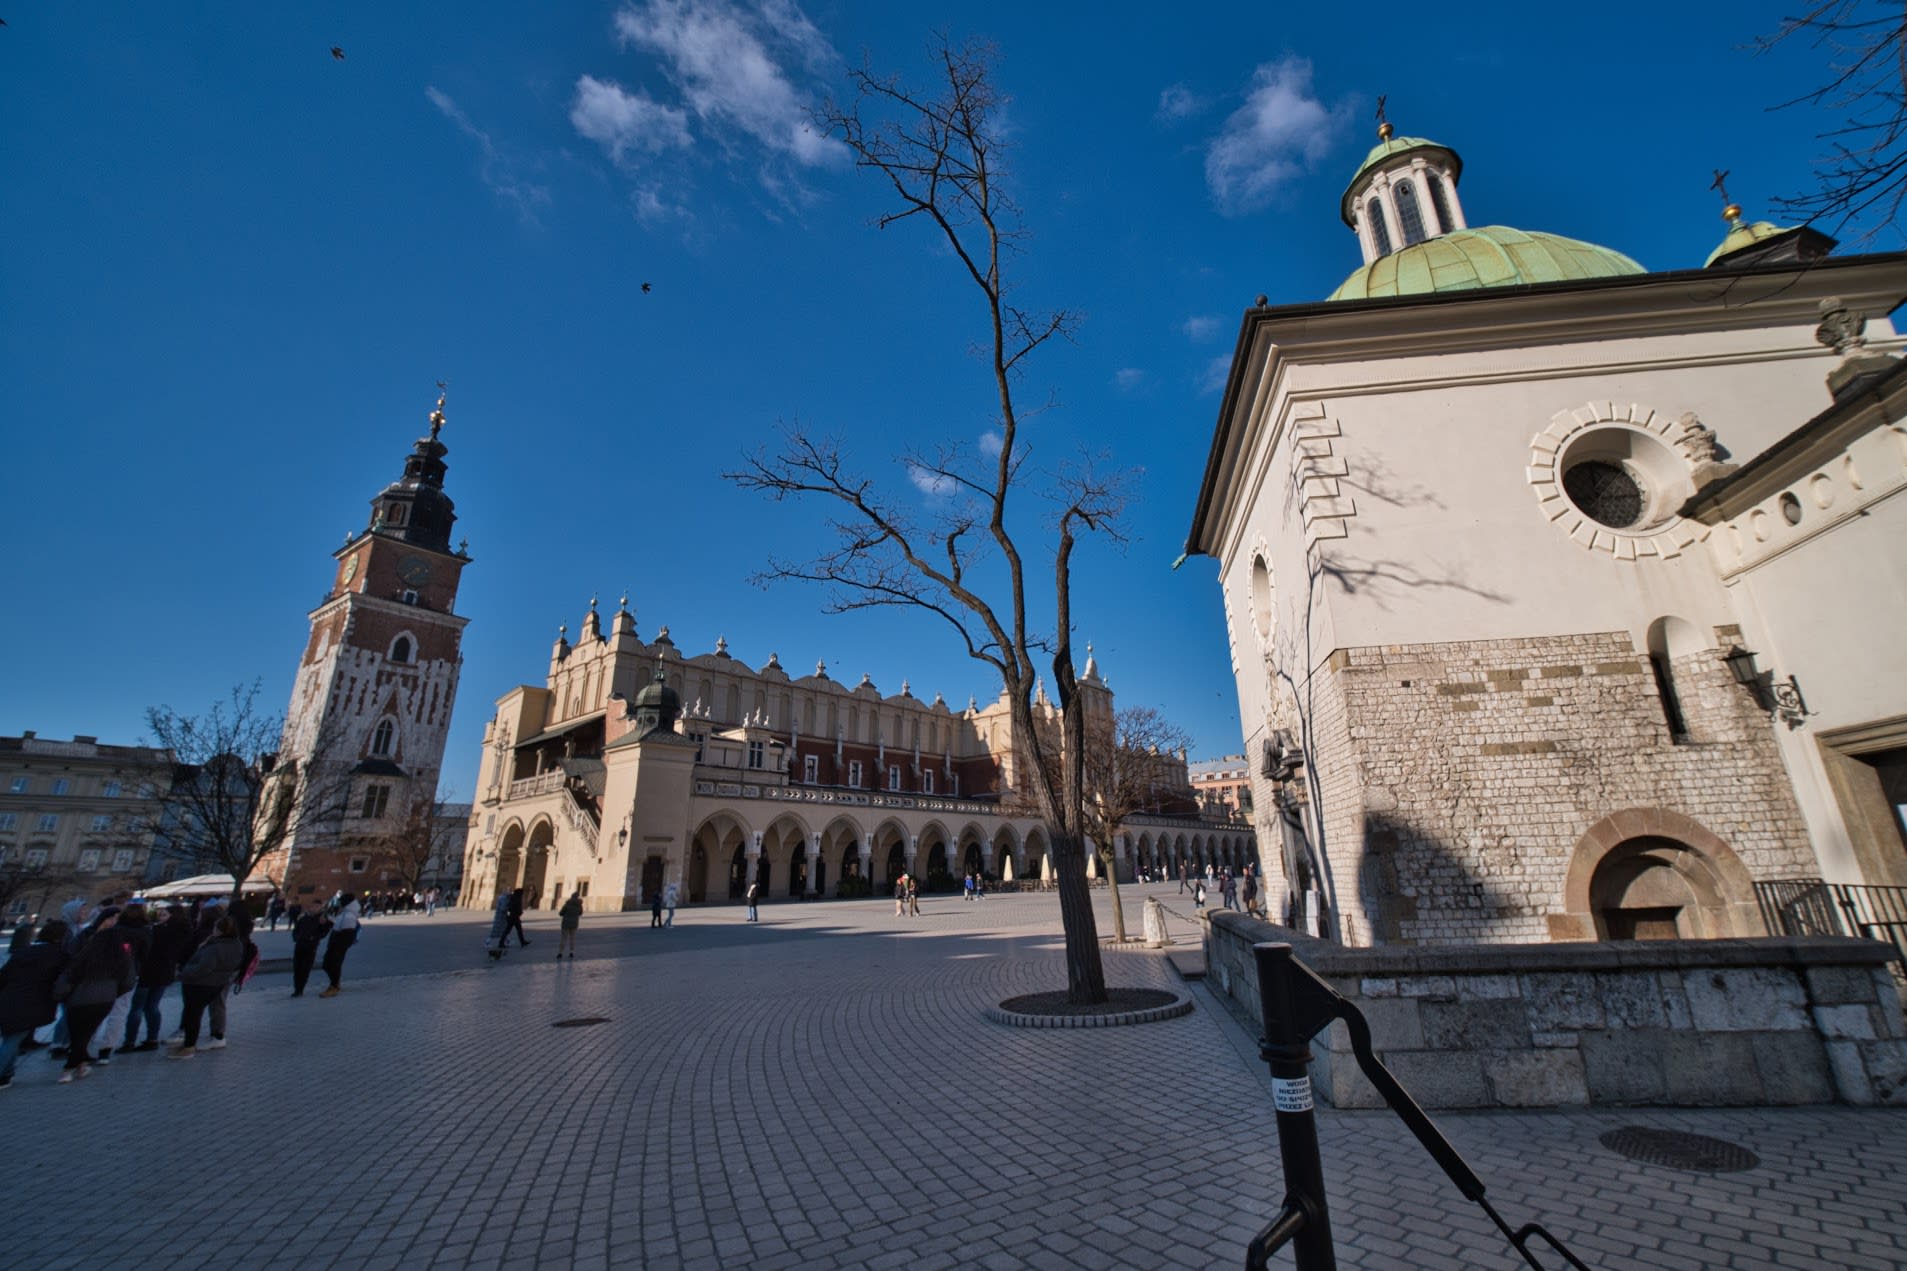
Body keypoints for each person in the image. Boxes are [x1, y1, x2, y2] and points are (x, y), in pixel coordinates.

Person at [55, 907, 134, 1082]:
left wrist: (61, 995)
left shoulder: (84, 954)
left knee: (79, 1034)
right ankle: (79, 1066)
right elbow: (128, 981)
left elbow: (68, 975)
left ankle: (68, 1069)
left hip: (78, 999)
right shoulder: (121, 956)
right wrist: (113, 991)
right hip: (104, 999)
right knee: (85, 1034)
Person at [0, 920, 70, 1088]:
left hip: (9, 998)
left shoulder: (24, 951)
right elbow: (62, 982)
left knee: (13, 1038)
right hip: (32, 1002)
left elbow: (4, 975)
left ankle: (7, 1074)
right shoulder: (59, 955)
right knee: (12, 1040)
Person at [169, 916, 244, 1059]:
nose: (213, 930)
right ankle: (188, 1044)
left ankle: (189, 1047)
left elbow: (204, 967)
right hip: (217, 983)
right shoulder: (236, 944)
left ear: (221, 930)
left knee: (193, 1015)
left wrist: (185, 973)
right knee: (195, 1014)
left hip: (200, 984)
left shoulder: (215, 947)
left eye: (216, 928)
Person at [123, 903, 191, 1052]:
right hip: (164, 973)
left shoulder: (157, 931)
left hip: (148, 972)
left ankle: (129, 1041)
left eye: (164, 915)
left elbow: (144, 951)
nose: (160, 917)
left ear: (172, 917)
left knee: (137, 1007)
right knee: (152, 1006)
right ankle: (152, 1038)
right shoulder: (182, 932)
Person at [317, 893, 360, 998]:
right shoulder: (346, 913)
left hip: (338, 945)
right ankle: (335, 983)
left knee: (332, 964)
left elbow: (347, 933)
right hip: (335, 944)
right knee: (328, 964)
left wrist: (337, 944)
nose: (339, 903)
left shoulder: (349, 915)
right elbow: (337, 925)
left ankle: (334, 985)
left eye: (340, 901)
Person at [290, 905, 333, 995]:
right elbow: (295, 930)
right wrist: (296, 938)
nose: (313, 908)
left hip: (311, 946)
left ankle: (300, 989)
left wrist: (313, 938)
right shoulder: (304, 918)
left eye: (316, 907)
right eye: (312, 906)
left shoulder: (322, 919)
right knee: (297, 968)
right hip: (299, 945)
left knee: (305, 968)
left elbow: (325, 931)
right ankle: (297, 988)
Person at [487, 891, 511, 961]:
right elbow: (503, 908)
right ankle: (487, 942)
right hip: (500, 918)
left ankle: (507, 941)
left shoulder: (501, 898)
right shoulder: (504, 899)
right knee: (498, 931)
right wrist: (508, 908)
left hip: (500, 917)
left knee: (503, 930)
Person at [558, 891, 583, 959]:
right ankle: (571, 952)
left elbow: (560, 913)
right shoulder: (579, 905)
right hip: (574, 923)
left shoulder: (567, 904)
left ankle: (560, 952)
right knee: (572, 938)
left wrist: (565, 914)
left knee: (563, 938)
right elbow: (580, 913)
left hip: (565, 923)